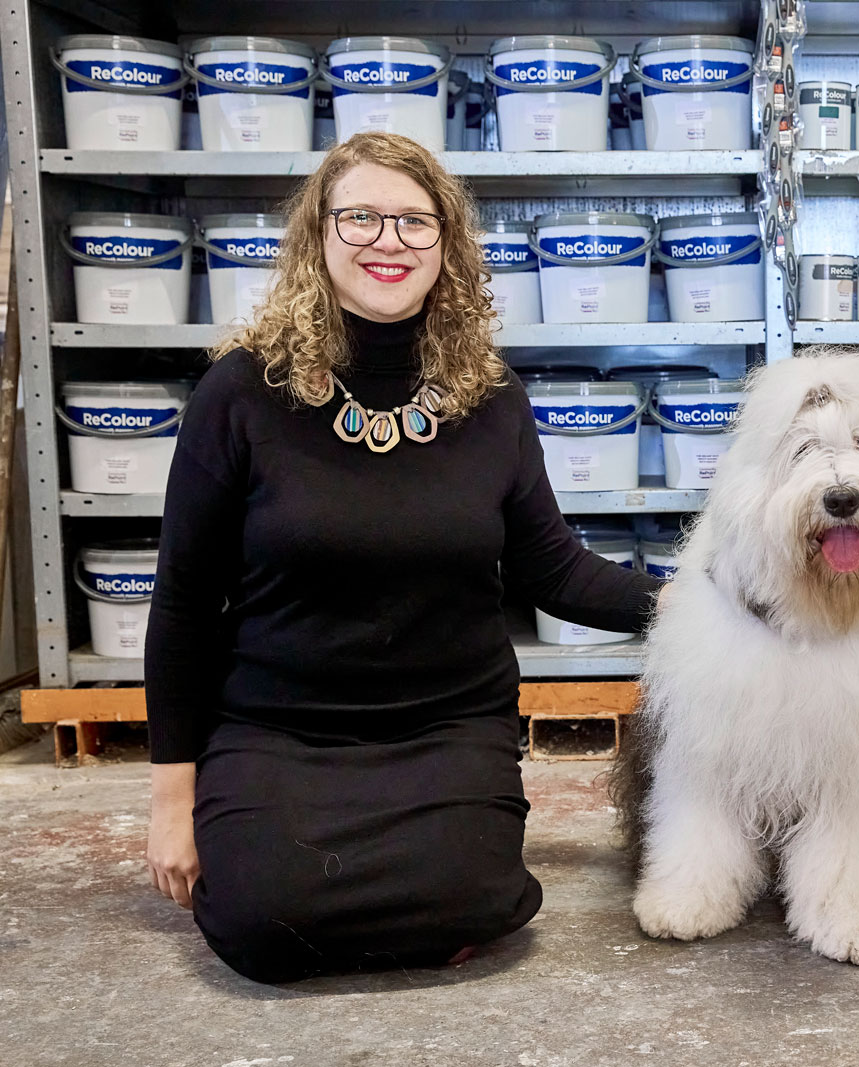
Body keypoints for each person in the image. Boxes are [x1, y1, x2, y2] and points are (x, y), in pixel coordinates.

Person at [143, 132, 661, 983]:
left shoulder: (490, 396)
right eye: (362, 218)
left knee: (476, 903)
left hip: (446, 725)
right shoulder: (240, 392)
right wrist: (173, 802)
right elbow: (184, 604)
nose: (390, 241)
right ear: (317, 235)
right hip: (281, 729)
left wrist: (693, 600)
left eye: (417, 223)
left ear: (448, 246)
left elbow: (554, 569)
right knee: (261, 924)